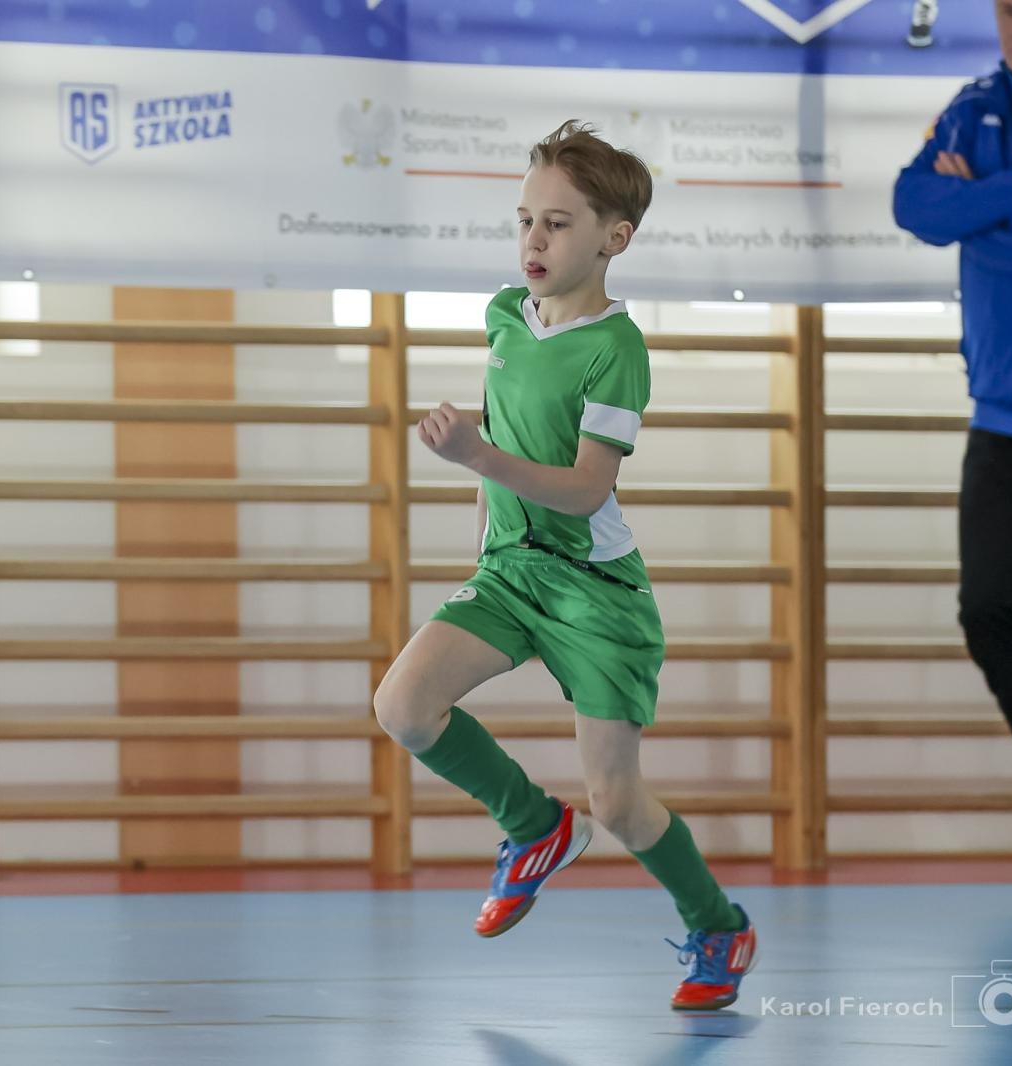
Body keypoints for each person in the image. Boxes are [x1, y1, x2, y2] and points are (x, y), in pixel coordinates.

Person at [372, 120, 757, 1010]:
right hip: (512, 570)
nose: (533, 241)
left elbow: (585, 489)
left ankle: (718, 925)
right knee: (403, 703)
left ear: (613, 239)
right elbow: (504, 430)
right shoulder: (508, 316)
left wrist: (474, 458)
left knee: (619, 804)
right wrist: (482, 539)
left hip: (594, 590)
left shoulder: (617, 351)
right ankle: (533, 826)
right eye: (524, 221)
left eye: (557, 224)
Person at [892, 0, 1012, 886]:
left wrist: (975, 210)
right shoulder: (973, 107)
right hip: (1003, 418)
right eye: (1008, 8)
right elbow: (913, 202)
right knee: (988, 611)